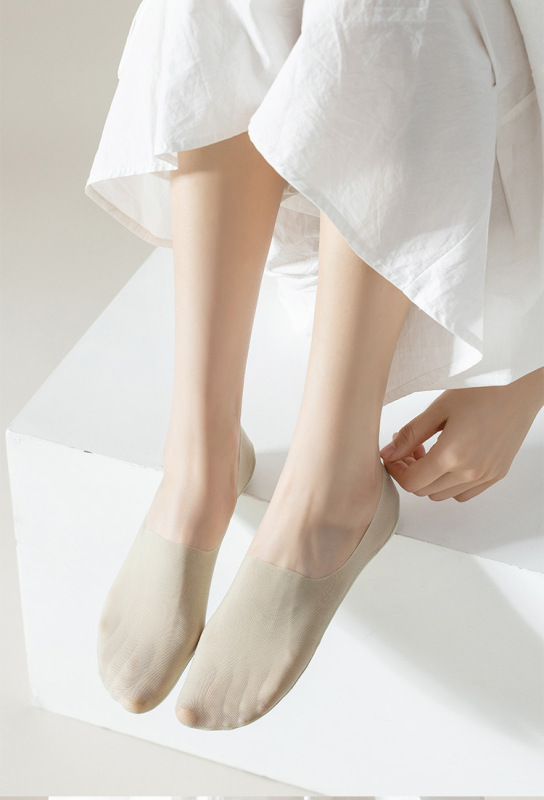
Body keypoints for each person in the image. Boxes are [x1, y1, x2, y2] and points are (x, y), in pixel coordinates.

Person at [85, 0, 543, 729]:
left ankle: (333, 489)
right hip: (337, 186)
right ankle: (199, 458)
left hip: (474, 173)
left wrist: (532, 377)